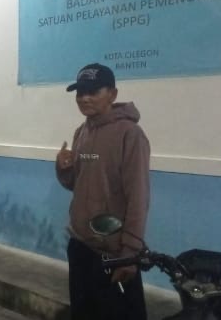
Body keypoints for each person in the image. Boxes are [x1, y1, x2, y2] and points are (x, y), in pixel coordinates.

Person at [56, 63, 150, 320]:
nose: (84, 98)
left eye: (93, 91)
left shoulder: (130, 134)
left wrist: (130, 253)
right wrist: (64, 168)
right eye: (80, 92)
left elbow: (138, 197)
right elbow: (76, 185)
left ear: (112, 94)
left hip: (114, 254)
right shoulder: (81, 132)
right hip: (80, 246)